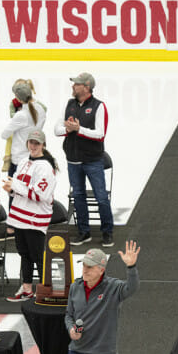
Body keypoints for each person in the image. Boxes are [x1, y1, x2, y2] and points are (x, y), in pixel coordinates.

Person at [56, 72, 113, 248]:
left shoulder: (99, 106)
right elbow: (57, 129)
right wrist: (69, 129)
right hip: (73, 159)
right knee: (78, 196)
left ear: (86, 87)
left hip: (92, 160)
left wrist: (79, 129)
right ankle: (83, 231)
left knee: (101, 197)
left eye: (77, 84)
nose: (73, 86)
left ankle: (107, 232)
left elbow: (100, 134)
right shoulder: (69, 104)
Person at [2, 129, 57, 302]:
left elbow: (39, 194)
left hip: (34, 219)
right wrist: (11, 190)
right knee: (24, 254)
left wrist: (16, 187)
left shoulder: (47, 167)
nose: (33, 146)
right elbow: (19, 188)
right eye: (31, 142)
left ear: (43, 145)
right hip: (19, 217)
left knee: (38, 257)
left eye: (37, 143)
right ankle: (27, 289)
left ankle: (45, 292)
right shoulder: (24, 161)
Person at [0, 79, 47, 242]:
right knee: (28, 191)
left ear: (18, 98)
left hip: (19, 158)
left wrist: (13, 118)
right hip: (33, 157)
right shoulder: (40, 109)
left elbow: (4, 134)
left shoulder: (21, 115)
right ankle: (27, 222)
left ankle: (12, 227)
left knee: (14, 192)